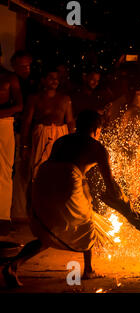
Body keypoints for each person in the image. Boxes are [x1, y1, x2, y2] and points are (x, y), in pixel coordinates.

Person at [2, 110, 124, 287]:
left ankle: (13, 265)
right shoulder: (97, 148)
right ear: (97, 129)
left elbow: (54, 165)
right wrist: (123, 203)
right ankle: (89, 270)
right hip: (68, 179)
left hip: (43, 179)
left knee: (50, 233)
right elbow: (109, 183)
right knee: (87, 223)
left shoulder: (62, 140)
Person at [20, 67, 75, 181]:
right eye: (51, 78)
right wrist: (24, 146)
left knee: (59, 169)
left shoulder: (65, 99)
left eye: (57, 78)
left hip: (61, 135)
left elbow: (70, 121)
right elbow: (27, 122)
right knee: (39, 170)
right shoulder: (35, 98)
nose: (55, 81)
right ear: (43, 80)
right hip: (42, 135)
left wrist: (72, 142)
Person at [0, 45, 23, 232]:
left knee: (4, 170)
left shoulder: (9, 77)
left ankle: (3, 217)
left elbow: (19, 106)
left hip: (4, 124)